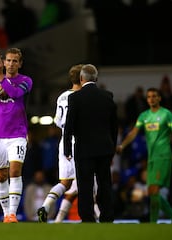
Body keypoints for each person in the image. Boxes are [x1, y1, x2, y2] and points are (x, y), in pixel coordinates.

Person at [117, 87, 172, 223]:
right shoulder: (144, 116)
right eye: (149, 96)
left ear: (159, 98)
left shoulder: (167, 114)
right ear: (147, 99)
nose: (151, 99)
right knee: (152, 192)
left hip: (163, 156)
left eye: (154, 96)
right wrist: (122, 145)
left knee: (153, 189)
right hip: (151, 158)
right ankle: (155, 223)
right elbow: (133, 133)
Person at [0, 48, 33, 223]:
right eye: (8, 60)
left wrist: (1, 75)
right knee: (1, 176)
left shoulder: (25, 80)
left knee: (15, 171)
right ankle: (5, 213)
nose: (10, 64)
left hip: (17, 133)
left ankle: (12, 214)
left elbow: (15, 93)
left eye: (14, 61)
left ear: (20, 63)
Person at [63, 64, 118, 223]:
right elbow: (114, 126)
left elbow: (69, 125)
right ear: (96, 78)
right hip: (104, 149)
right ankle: (107, 216)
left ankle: (87, 217)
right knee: (104, 183)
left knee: (85, 185)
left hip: (84, 149)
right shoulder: (108, 96)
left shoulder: (75, 97)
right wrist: (112, 147)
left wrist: (67, 149)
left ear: (81, 79)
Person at [36, 64, 82, 222]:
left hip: (64, 142)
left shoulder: (62, 96)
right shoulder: (83, 96)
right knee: (89, 182)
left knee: (65, 183)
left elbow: (57, 121)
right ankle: (99, 221)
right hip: (80, 141)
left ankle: (46, 206)